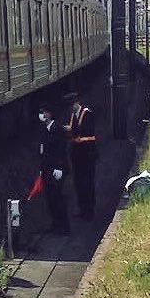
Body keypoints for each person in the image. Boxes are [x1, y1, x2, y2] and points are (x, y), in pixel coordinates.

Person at [64, 92, 97, 221]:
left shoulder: (87, 113)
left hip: (87, 155)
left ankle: (90, 211)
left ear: (77, 102)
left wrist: (72, 133)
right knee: (79, 183)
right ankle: (83, 209)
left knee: (88, 183)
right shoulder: (73, 116)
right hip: (77, 156)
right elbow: (74, 131)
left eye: (72, 104)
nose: (71, 107)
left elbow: (85, 133)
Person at [38, 103, 70, 235]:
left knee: (57, 198)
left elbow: (61, 150)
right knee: (50, 199)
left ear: (50, 114)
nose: (42, 115)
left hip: (56, 170)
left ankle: (64, 227)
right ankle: (56, 225)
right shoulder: (45, 130)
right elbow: (43, 152)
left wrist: (60, 168)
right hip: (47, 170)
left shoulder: (57, 129)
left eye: (44, 112)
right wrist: (42, 169)